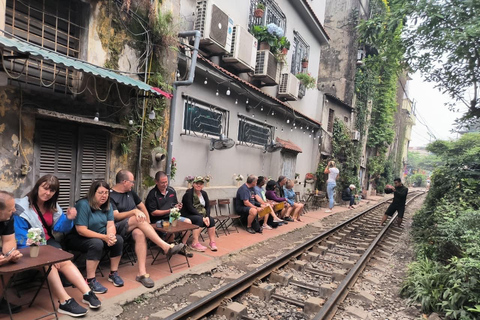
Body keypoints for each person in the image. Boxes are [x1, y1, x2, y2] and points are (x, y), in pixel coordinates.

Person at [14, 175, 101, 316]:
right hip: (29, 246)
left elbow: (60, 228)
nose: (47, 193)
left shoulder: (52, 206)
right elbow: (19, 237)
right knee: (50, 263)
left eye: (52, 191)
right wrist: (39, 248)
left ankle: (87, 292)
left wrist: (69, 219)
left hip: (47, 242)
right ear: (37, 187)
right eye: (45, 188)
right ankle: (64, 301)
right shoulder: (21, 208)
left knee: (64, 260)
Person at [109, 170, 184, 288]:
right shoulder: (111, 195)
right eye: (132, 182)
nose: (133, 184)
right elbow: (116, 216)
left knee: (140, 233)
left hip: (133, 227)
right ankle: (165, 247)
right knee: (137, 219)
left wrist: (148, 223)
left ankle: (142, 274)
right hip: (115, 228)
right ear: (124, 182)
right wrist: (134, 212)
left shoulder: (130, 192)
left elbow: (141, 206)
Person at [65, 180, 124, 296]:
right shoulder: (83, 204)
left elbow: (111, 224)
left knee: (119, 240)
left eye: (106, 193)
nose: (104, 196)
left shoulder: (108, 206)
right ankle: (90, 280)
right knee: (97, 243)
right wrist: (104, 237)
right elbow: (81, 230)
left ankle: (113, 273)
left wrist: (111, 236)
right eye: (100, 192)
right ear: (93, 193)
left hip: (100, 236)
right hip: (78, 238)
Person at [145, 171, 193, 257]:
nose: (165, 184)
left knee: (188, 222)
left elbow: (174, 204)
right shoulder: (153, 194)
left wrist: (178, 206)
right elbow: (153, 212)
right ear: (156, 182)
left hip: (172, 217)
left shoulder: (171, 190)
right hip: (158, 220)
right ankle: (168, 247)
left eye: (166, 182)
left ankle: (182, 245)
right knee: (170, 228)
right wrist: (169, 211)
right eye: (162, 182)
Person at [0, 191, 23, 315]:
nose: (14, 210)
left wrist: (10, 254)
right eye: (10, 209)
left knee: (9, 265)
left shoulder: (8, 218)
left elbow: (9, 239)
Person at [181, 176, 217, 252]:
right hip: (188, 214)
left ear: (203, 185)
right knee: (199, 220)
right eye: (197, 183)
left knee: (211, 220)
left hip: (200, 214)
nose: (199, 185)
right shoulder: (188, 194)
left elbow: (207, 206)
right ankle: (195, 243)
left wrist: (207, 216)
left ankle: (212, 242)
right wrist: (202, 217)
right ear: (193, 184)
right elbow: (190, 208)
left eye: (200, 184)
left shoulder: (204, 194)